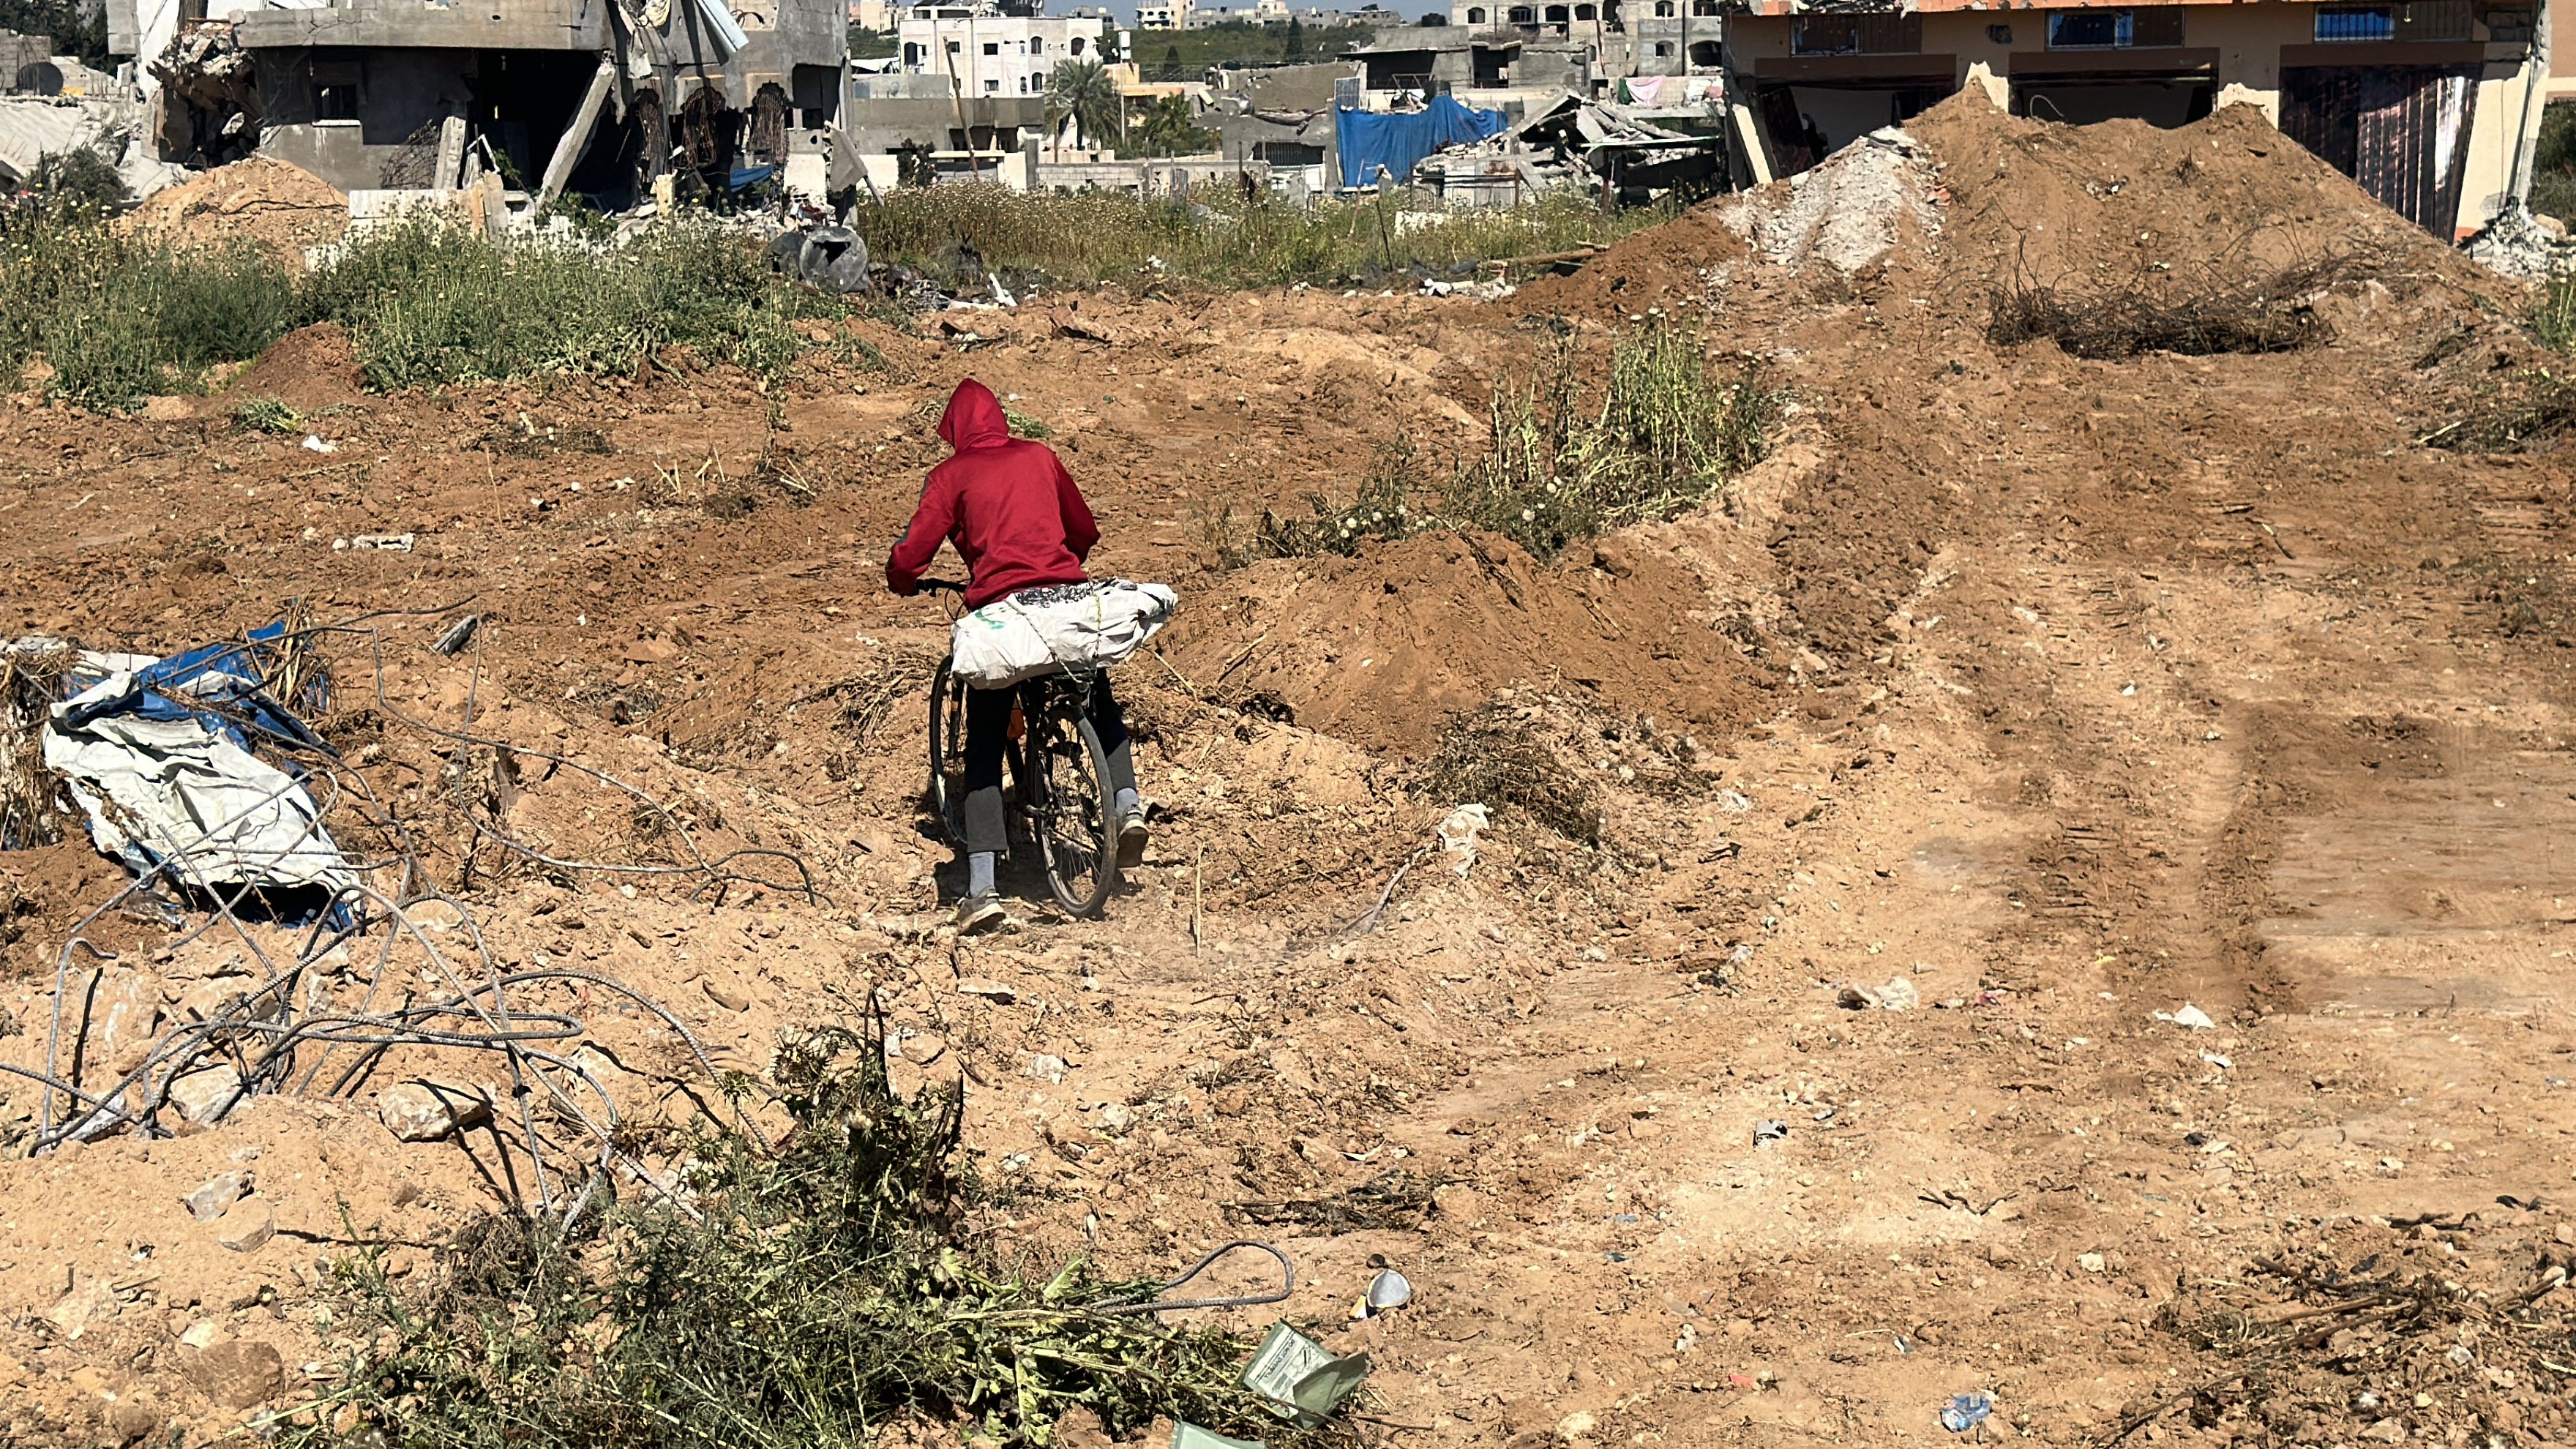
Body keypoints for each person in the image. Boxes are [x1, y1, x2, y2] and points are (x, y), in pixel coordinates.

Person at [886, 378, 1147, 933]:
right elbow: (1084, 531)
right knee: (1098, 702)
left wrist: (902, 578)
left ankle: (982, 890)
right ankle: (1126, 805)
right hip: (1065, 604)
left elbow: (912, 557)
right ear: (1001, 420)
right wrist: (1051, 565)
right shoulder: (1041, 456)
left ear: (954, 430)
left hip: (1006, 620)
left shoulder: (949, 477)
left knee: (983, 741)